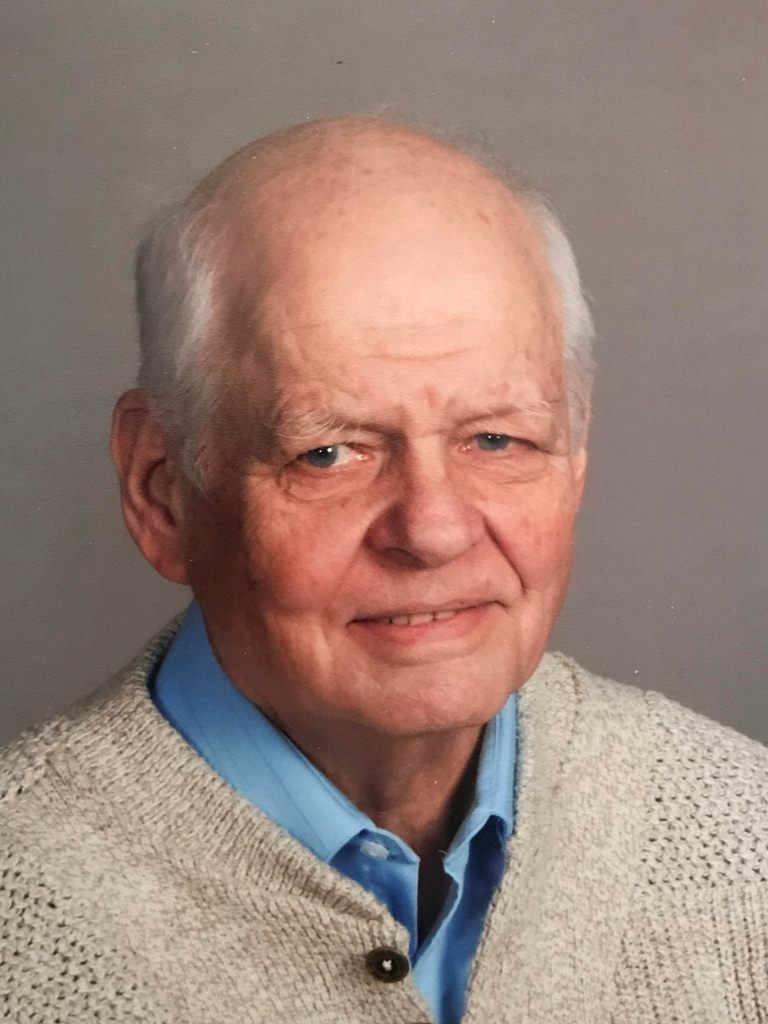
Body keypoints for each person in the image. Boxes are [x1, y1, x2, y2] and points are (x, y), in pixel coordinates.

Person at [2, 116, 766, 1024]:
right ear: (163, 490)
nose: (434, 530)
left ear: (574, 459)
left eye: (496, 438)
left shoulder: (744, 830)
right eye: (329, 452)